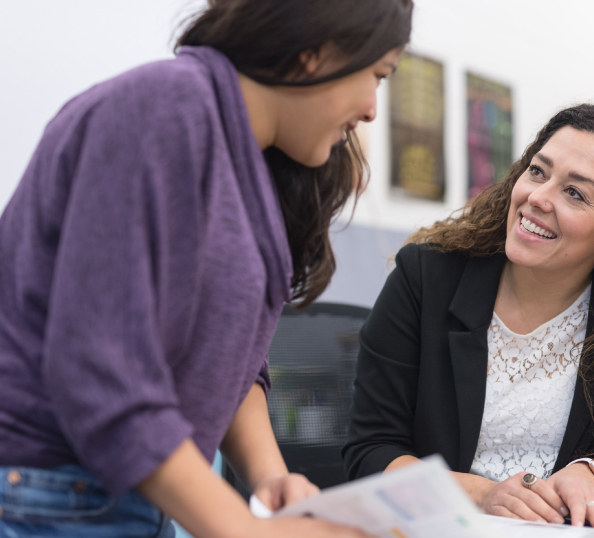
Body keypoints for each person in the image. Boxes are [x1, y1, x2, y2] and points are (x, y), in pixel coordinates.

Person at [0, 0, 412, 537]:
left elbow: (233, 360)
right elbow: (103, 375)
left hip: (131, 499)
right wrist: (248, 531)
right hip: (48, 495)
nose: (372, 110)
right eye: (377, 76)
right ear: (317, 52)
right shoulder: (164, 106)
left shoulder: (246, 155)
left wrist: (271, 480)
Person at [343, 103, 594, 532]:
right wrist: (482, 494)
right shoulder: (425, 278)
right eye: (537, 171)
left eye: (574, 192)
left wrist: (591, 474)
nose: (537, 197)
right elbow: (371, 452)